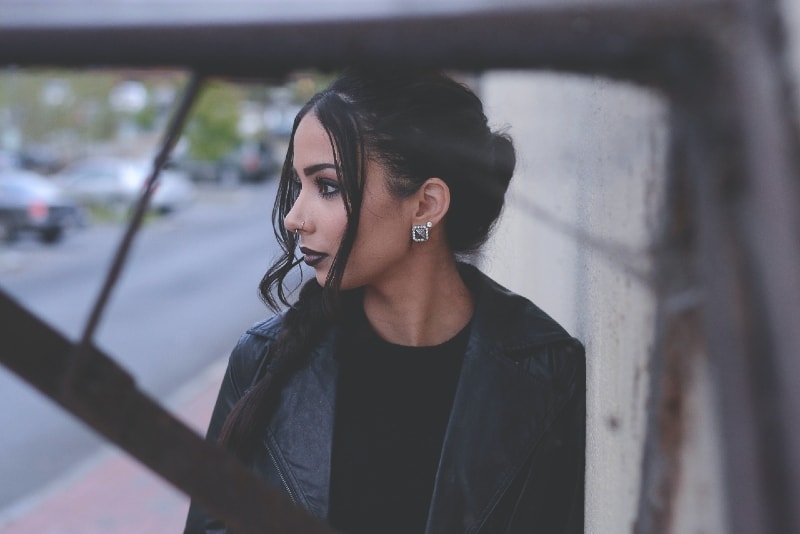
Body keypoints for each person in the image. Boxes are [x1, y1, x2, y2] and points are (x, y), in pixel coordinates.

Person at [185, 70, 585, 534]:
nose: (295, 217)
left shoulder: (546, 372)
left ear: (425, 206)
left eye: (327, 187)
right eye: (299, 185)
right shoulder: (261, 362)